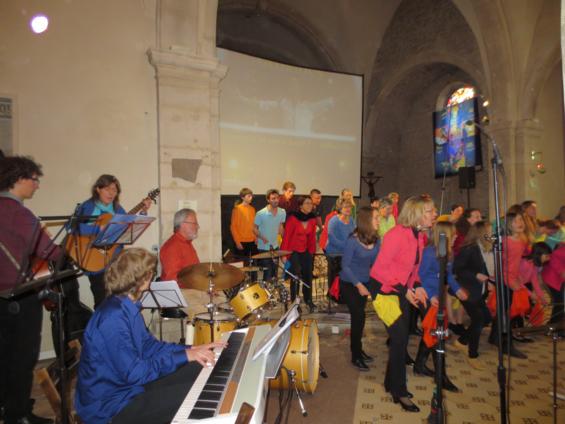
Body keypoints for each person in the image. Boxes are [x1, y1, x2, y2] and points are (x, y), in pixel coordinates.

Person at [75, 248, 224, 424]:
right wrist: (184, 356)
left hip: (129, 387)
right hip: (110, 405)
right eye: (150, 273)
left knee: (201, 368)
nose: (152, 276)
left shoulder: (126, 305)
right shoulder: (112, 318)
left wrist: (191, 349)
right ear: (140, 279)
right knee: (198, 394)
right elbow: (135, 373)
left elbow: (150, 347)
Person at [0, 156, 61, 424]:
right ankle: (18, 415)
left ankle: (5, 406)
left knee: (3, 355)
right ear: (19, 179)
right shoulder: (19, 214)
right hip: (19, 297)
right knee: (23, 358)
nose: (36, 186)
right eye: (34, 180)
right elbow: (51, 252)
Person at [368, 195, 433, 413]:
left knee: (400, 339)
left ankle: (390, 383)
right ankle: (399, 390)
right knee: (400, 338)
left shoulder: (420, 237)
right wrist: (405, 290)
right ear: (416, 214)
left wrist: (418, 285)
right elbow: (379, 270)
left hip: (401, 290)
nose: (434, 215)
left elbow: (412, 270)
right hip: (385, 291)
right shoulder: (396, 234)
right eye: (429, 211)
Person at [75, 174, 151, 308]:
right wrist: (98, 228)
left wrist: (143, 211)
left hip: (115, 262)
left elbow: (127, 228)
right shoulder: (88, 207)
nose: (111, 193)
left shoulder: (117, 209)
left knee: (120, 301)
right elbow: (73, 228)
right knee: (102, 303)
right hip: (95, 262)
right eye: (107, 189)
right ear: (98, 189)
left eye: (114, 190)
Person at [414, 221, 466, 391]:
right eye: (453, 234)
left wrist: (457, 289)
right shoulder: (430, 252)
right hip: (428, 297)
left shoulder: (448, 253)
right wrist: (431, 295)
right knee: (437, 336)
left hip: (439, 296)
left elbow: (448, 275)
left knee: (431, 332)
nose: (456, 236)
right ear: (443, 235)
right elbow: (420, 276)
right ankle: (441, 377)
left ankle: (419, 365)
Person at [160, 208, 219, 319]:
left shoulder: (187, 244)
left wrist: (207, 287)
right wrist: (199, 287)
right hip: (181, 292)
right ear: (183, 224)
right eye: (195, 223)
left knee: (224, 303)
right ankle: (203, 334)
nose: (198, 226)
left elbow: (196, 274)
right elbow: (172, 279)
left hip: (194, 289)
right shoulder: (172, 247)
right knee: (206, 315)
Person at [340, 206, 379, 371]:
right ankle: (355, 355)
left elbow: (378, 262)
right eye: (376, 217)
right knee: (358, 317)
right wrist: (359, 285)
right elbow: (345, 266)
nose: (379, 220)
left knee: (361, 318)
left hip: (365, 281)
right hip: (350, 283)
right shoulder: (352, 240)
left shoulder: (377, 239)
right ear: (367, 221)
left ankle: (359, 350)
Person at [452, 221, 494, 370]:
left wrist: (488, 281)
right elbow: (457, 268)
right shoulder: (470, 248)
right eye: (489, 230)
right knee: (479, 319)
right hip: (466, 289)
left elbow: (483, 268)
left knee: (486, 318)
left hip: (477, 290)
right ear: (481, 232)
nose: (492, 233)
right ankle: (472, 355)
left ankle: (463, 341)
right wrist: (476, 275)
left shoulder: (483, 247)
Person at [281, 196, 318, 312]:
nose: (310, 205)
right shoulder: (293, 218)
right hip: (293, 251)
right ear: (301, 206)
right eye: (307, 203)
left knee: (308, 276)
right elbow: (286, 237)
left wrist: (312, 253)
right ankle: (295, 303)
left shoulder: (312, 219)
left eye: (311, 203)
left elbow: (312, 237)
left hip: (305, 251)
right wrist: (284, 255)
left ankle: (308, 300)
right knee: (295, 276)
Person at [254, 189, 286, 281]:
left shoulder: (282, 212)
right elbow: (254, 228)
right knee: (268, 272)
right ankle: (266, 293)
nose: (276, 200)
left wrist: (285, 240)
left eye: (277, 198)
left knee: (274, 273)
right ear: (268, 200)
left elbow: (280, 226)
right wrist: (261, 237)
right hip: (263, 247)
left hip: (275, 245)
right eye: (273, 198)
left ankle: (272, 292)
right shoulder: (261, 213)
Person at [325, 199, 355, 295]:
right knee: (335, 277)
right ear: (340, 208)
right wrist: (347, 247)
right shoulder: (334, 220)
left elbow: (355, 234)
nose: (348, 209)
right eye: (345, 207)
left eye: (349, 207)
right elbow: (332, 239)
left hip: (347, 253)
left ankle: (343, 296)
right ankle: (333, 296)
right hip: (334, 253)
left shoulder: (351, 220)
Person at [541, 242, 565, 337]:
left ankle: (553, 328)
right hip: (552, 279)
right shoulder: (560, 252)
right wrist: (561, 271)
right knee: (559, 305)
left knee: (559, 305)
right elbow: (554, 257)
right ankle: (554, 329)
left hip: (557, 279)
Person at [230, 187, 257, 261]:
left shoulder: (252, 209)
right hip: (241, 242)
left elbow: (254, 225)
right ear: (242, 197)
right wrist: (237, 242)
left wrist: (256, 237)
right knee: (242, 267)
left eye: (251, 196)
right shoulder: (237, 209)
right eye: (249, 196)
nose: (251, 198)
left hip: (252, 242)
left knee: (253, 266)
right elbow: (233, 227)